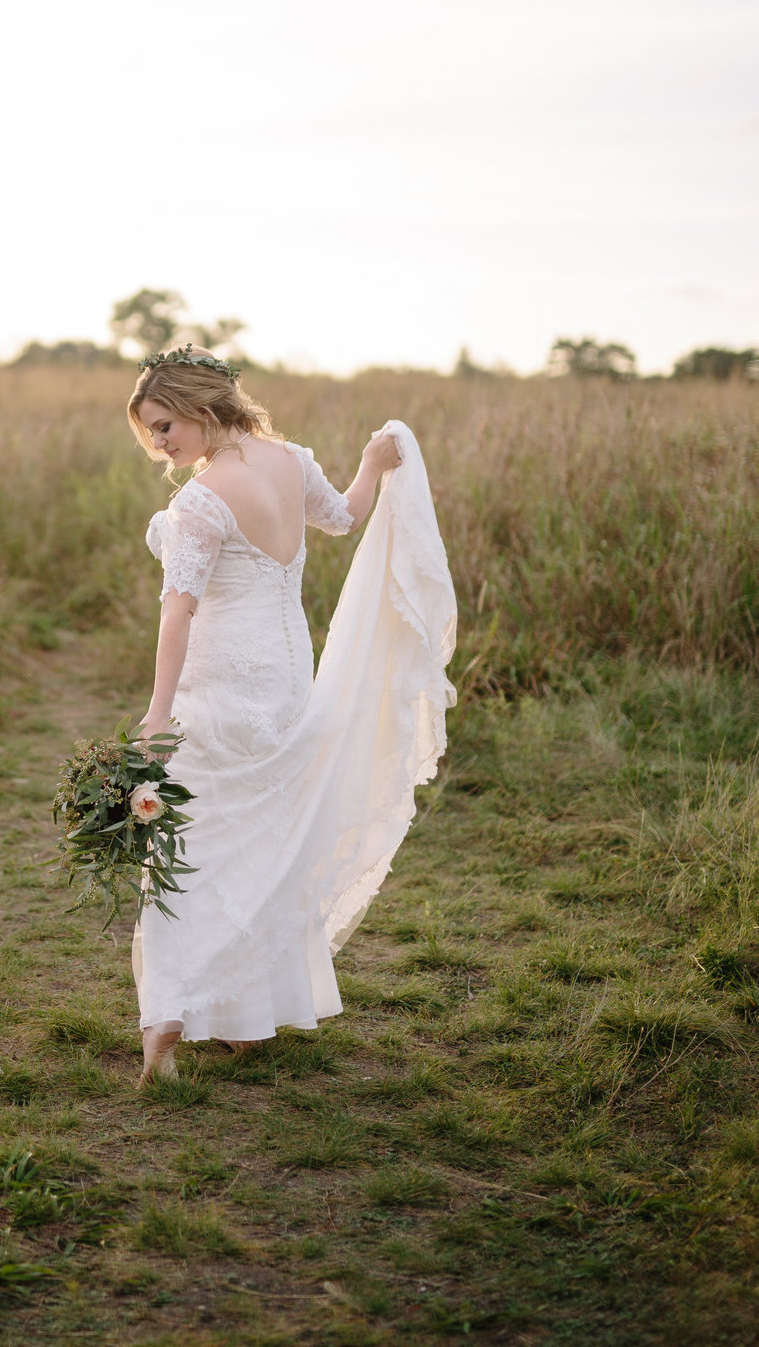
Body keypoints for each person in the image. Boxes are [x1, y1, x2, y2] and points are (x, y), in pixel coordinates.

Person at [127, 346, 456, 1080]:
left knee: (190, 848)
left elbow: (176, 615)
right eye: (150, 432)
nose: (159, 444)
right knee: (266, 839)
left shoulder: (200, 501)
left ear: (201, 407)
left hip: (218, 686)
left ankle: (170, 1021)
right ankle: (247, 1017)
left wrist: (157, 716)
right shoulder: (290, 461)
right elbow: (344, 516)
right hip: (283, 681)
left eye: (163, 425)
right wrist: (373, 462)